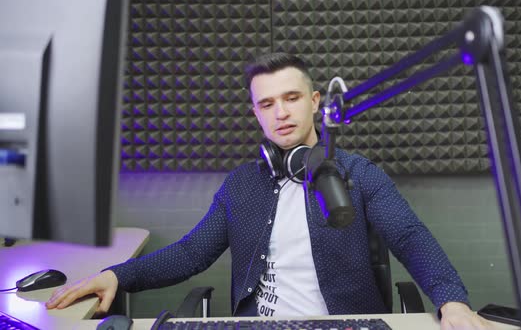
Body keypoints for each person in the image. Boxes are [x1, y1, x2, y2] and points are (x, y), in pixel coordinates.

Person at [47, 52, 492, 329]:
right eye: (266, 103)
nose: (280, 112)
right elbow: (190, 253)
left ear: (316, 101)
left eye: (292, 98)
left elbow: (410, 237)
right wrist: (117, 275)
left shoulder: (357, 175)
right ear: (255, 113)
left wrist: (452, 300)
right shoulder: (242, 184)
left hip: (348, 325)